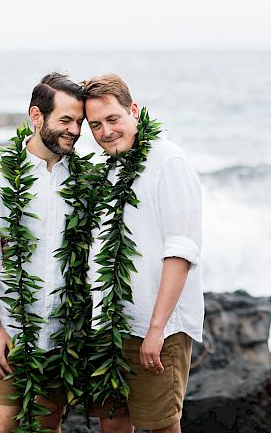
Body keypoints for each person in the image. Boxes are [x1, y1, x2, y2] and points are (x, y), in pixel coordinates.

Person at [0, 72, 84, 433]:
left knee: (50, 424)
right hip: (14, 333)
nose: (75, 130)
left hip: (63, 335)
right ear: (36, 116)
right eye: (65, 120)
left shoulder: (83, 179)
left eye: (78, 122)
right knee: (3, 425)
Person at [82, 74, 204, 433]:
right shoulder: (110, 171)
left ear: (133, 110)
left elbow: (181, 250)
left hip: (156, 329)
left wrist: (157, 329)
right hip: (110, 325)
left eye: (113, 119)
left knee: (161, 426)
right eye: (96, 125)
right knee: (113, 423)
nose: (106, 132)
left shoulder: (168, 162)